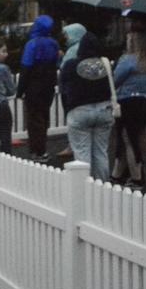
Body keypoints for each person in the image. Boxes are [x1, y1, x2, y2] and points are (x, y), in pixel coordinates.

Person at [59, 33, 113, 180]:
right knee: (101, 152)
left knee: (82, 153)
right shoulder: (105, 64)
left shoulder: (70, 65)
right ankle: (102, 187)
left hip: (79, 110)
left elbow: (63, 89)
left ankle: (84, 188)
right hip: (104, 110)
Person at [111, 26, 146, 188]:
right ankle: (120, 173)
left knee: (127, 138)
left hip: (128, 101)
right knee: (141, 136)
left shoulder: (128, 60)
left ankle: (136, 177)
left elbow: (115, 80)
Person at [16, 14, 61, 162]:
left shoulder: (32, 44)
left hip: (33, 86)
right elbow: (56, 63)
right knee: (44, 116)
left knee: (33, 119)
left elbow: (26, 68)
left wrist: (20, 90)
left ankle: (36, 150)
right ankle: (42, 149)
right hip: (48, 85)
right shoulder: (53, 43)